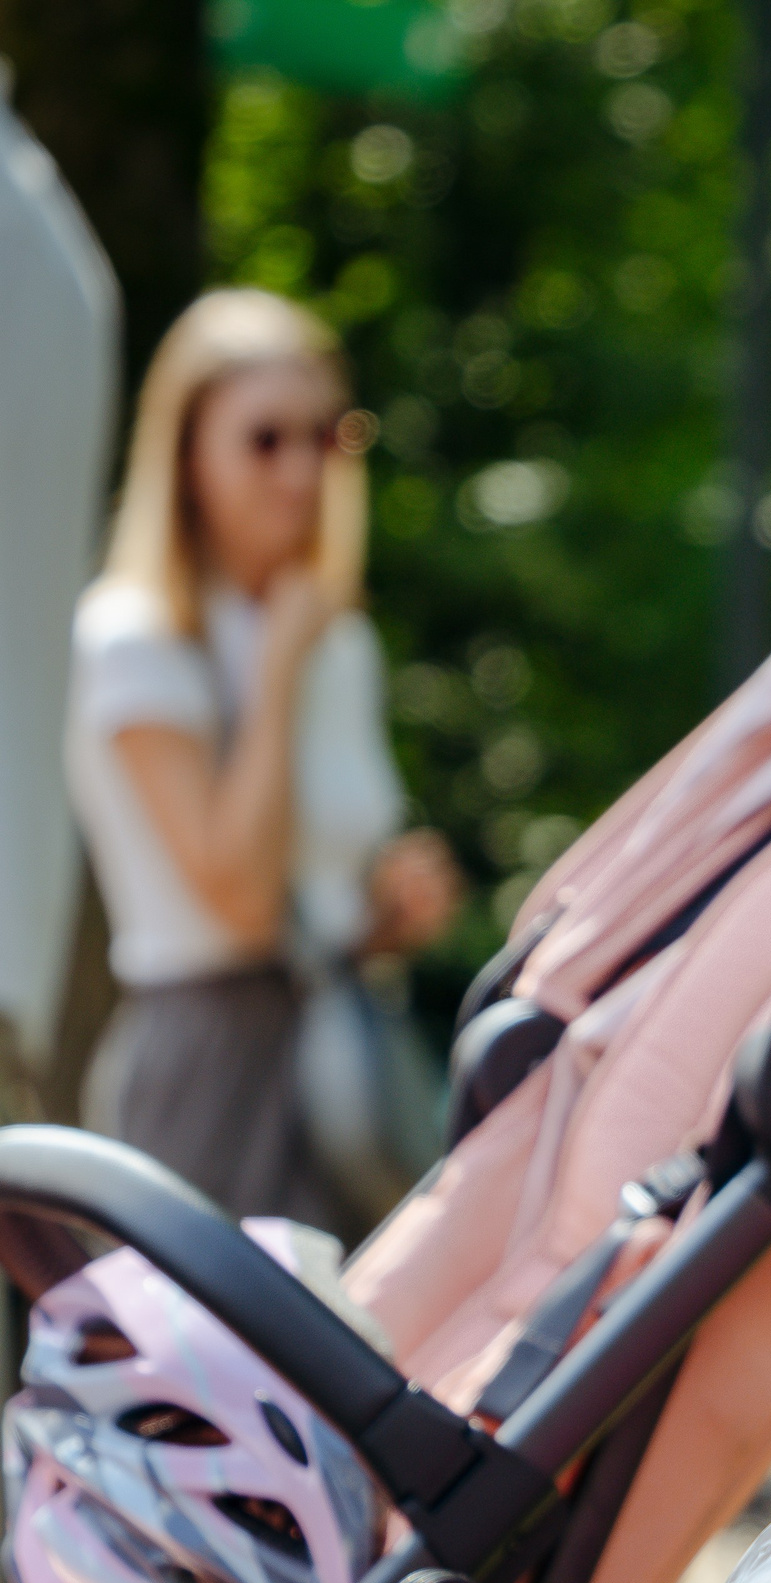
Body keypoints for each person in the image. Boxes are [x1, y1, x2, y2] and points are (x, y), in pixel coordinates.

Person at [69, 289, 458, 1235]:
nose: (299, 471)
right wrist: (275, 668)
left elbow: (320, 905)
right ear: (188, 453)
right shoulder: (137, 641)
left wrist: (390, 909)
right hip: (208, 1075)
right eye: (264, 438)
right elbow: (237, 902)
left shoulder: (340, 641)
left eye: (328, 437)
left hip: (335, 1062)